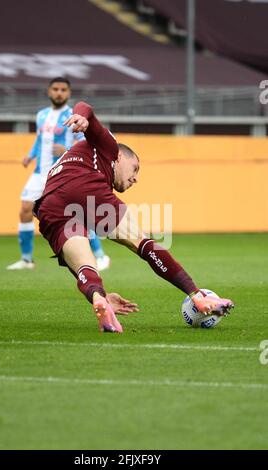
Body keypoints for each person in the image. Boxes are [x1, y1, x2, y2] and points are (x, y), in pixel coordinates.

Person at [33, 101, 234, 333]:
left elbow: (76, 267)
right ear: (119, 157)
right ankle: (197, 297)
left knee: (84, 264)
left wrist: (102, 294)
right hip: (84, 185)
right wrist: (82, 117)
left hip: (48, 205)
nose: (135, 178)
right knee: (142, 242)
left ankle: (99, 301)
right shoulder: (109, 147)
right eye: (135, 168)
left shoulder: (67, 161)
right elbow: (84, 106)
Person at [7, 77, 110, 271]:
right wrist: (30, 156)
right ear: (49, 91)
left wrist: (66, 148)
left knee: (77, 214)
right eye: (55, 89)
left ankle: (100, 255)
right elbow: (39, 139)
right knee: (25, 209)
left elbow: (86, 142)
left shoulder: (74, 115)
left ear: (69, 93)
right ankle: (27, 259)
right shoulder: (41, 115)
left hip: (61, 172)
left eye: (63, 89)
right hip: (39, 172)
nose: (59, 93)